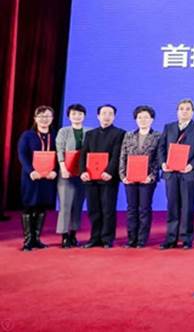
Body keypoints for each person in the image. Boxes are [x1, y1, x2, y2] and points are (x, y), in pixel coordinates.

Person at [158, 99, 194, 250]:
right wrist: (163, 164)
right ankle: (171, 238)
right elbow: (161, 148)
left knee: (187, 206)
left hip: (188, 173)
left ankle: (186, 238)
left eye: (187, 109)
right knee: (172, 205)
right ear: (177, 111)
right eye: (181, 109)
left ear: (193, 112)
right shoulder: (169, 127)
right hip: (171, 172)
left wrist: (191, 165)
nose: (184, 111)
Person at [79, 104, 125, 249]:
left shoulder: (119, 133)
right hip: (91, 177)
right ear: (98, 116)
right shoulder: (90, 134)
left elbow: (117, 155)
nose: (107, 116)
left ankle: (107, 238)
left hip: (108, 177)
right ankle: (94, 238)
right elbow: (83, 154)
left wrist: (109, 171)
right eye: (104, 113)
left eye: (110, 114)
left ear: (114, 116)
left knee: (108, 209)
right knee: (93, 209)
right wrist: (83, 171)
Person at [118, 105, 161, 248]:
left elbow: (158, 159)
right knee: (131, 209)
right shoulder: (129, 135)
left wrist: (151, 176)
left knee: (144, 209)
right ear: (135, 119)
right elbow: (123, 156)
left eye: (146, 117)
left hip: (147, 179)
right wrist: (123, 175)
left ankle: (142, 239)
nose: (143, 120)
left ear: (152, 119)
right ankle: (131, 239)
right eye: (140, 117)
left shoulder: (158, 136)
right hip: (129, 178)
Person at [17, 106, 58, 251]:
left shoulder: (55, 135)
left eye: (47, 116)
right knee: (29, 206)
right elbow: (22, 155)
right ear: (35, 118)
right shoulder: (27, 135)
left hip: (48, 177)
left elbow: (59, 155)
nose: (44, 119)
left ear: (52, 119)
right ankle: (28, 240)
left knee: (42, 207)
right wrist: (31, 171)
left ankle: (37, 238)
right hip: (32, 177)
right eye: (41, 116)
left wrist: (55, 171)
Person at [55, 103, 90, 248]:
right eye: (74, 114)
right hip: (66, 173)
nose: (77, 116)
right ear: (69, 116)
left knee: (78, 205)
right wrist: (63, 168)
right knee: (65, 205)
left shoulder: (90, 131)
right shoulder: (64, 131)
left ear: (84, 116)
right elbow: (59, 150)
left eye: (80, 114)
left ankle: (73, 234)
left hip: (83, 174)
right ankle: (64, 236)